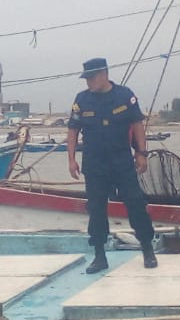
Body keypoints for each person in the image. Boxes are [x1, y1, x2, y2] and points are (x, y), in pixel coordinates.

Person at [66, 57, 157, 273]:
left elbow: (137, 125)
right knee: (96, 208)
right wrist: (71, 160)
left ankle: (147, 248)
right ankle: (99, 254)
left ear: (105, 74)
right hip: (94, 162)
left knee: (135, 203)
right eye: (86, 78)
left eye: (92, 77)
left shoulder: (125, 96)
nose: (89, 82)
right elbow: (73, 131)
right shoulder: (82, 100)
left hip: (121, 160)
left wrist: (141, 153)